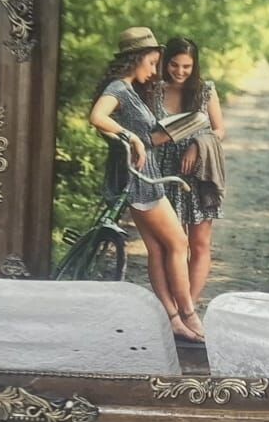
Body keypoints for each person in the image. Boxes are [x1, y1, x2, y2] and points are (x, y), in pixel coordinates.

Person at [86, 26, 205, 343]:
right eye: (151, 63)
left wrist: (158, 136)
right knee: (178, 244)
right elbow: (97, 117)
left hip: (143, 174)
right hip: (141, 180)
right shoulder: (118, 88)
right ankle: (188, 314)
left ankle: (173, 319)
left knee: (158, 249)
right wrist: (133, 139)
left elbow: (133, 135)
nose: (154, 70)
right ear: (135, 59)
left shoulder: (130, 90)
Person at [155, 36, 226, 308]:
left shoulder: (205, 91)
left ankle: (189, 308)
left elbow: (219, 130)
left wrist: (197, 145)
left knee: (199, 244)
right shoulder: (154, 90)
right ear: (165, 62)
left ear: (195, 65)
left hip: (199, 174)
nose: (180, 71)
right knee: (172, 245)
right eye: (174, 65)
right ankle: (173, 307)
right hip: (165, 173)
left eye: (187, 66)